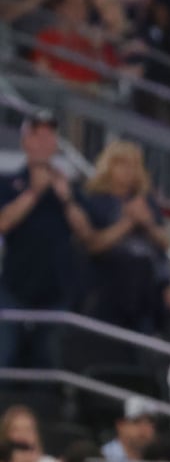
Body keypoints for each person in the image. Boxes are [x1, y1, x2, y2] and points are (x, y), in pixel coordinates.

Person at [0, 110, 95, 368]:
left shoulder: (69, 187)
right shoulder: (9, 181)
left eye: (50, 136)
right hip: (14, 287)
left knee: (51, 362)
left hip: (56, 292)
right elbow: (3, 222)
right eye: (37, 135)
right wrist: (34, 191)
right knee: (5, 356)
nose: (44, 142)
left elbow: (87, 234)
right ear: (25, 142)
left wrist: (66, 199)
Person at [81, 141, 170, 335]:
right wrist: (129, 222)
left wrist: (147, 223)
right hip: (109, 288)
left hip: (148, 290)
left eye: (133, 165)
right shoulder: (95, 200)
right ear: (109, 166)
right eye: (122, 164)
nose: (128, 171)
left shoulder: (145, 200)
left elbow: (165, 244)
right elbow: (93, 244)